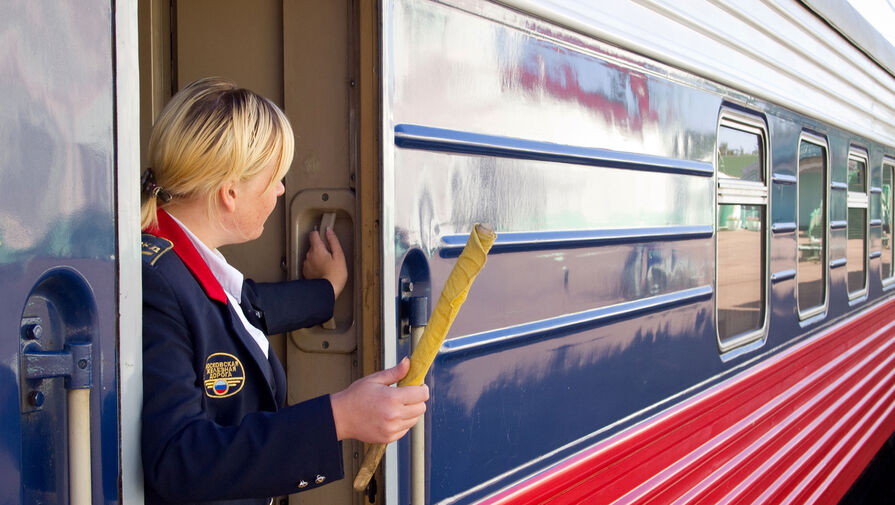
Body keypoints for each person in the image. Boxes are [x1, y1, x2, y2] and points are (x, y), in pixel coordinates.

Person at [140, 77, 428, 505]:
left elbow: (242, 309)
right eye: (274, 177)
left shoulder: (173, 259)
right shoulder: (158, 285)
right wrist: (339, 417)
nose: (281, 190)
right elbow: (179, 460)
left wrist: (326, 291)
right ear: (230, 192)